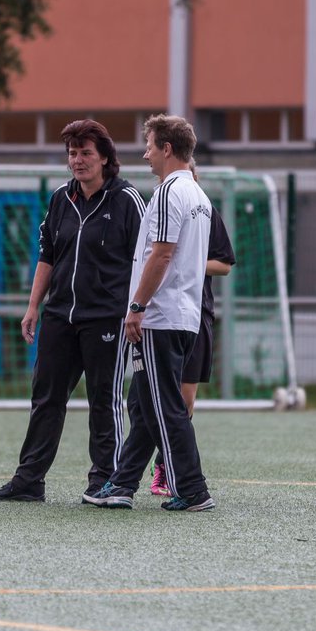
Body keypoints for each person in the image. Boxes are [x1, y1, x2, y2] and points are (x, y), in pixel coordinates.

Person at [0, 119, 144, 503]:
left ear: (104, 157)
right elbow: (47, 256)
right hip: (59, 316)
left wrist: (137, 310)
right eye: (72, 153)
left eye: (86, 153)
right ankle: (29, 481)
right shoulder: (60, 199)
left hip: (107, 318)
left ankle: (105, 480)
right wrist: (32, 307)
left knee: (103, 400)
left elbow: (145, 259)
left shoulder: (128, 200)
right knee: (46, 398)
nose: (78, 160)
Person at [85, 114, 215, 512]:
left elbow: (161, 254)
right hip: (184, 315)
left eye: (149, 145)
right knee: (143, 404)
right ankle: (123, 483)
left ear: (167, 149)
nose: (145, 154)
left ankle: (193, 489)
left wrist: (137, 307)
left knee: (164, 406)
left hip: (160, 316)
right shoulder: (199, 195)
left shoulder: (168, 192)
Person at [150, 165, 235, 498]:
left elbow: (224, 263)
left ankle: (166, 468)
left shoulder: (204, 210)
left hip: (195, 314)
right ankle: (154, 467)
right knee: (149, 399)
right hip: (159, 315)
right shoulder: (157, 206)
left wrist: (187, 261)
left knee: (183, 401)